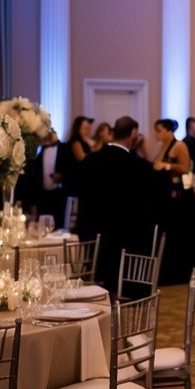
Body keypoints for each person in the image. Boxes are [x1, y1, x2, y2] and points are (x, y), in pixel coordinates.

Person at [74, 116, 154, 289]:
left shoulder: (89, 160)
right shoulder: (138, 166)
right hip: (124, 245)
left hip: (92, 240)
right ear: (133, 133)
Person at [151, 119, 195, 285]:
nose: (157, 134)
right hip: (165, 195)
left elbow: (186, 168)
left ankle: (182, 272)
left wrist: (167, 167)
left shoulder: (179, 145)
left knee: (179, 233)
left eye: (159, 130)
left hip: (179, 196)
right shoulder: (163, 146)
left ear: (169, 131)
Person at [57, 115, 93, 193]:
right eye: (86, 128)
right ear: (78, 128)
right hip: (74, 181)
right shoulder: (75, 141)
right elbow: (81, 158)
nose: (89, 130)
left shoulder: (87, 141)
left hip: (82, 180)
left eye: (89, 128)